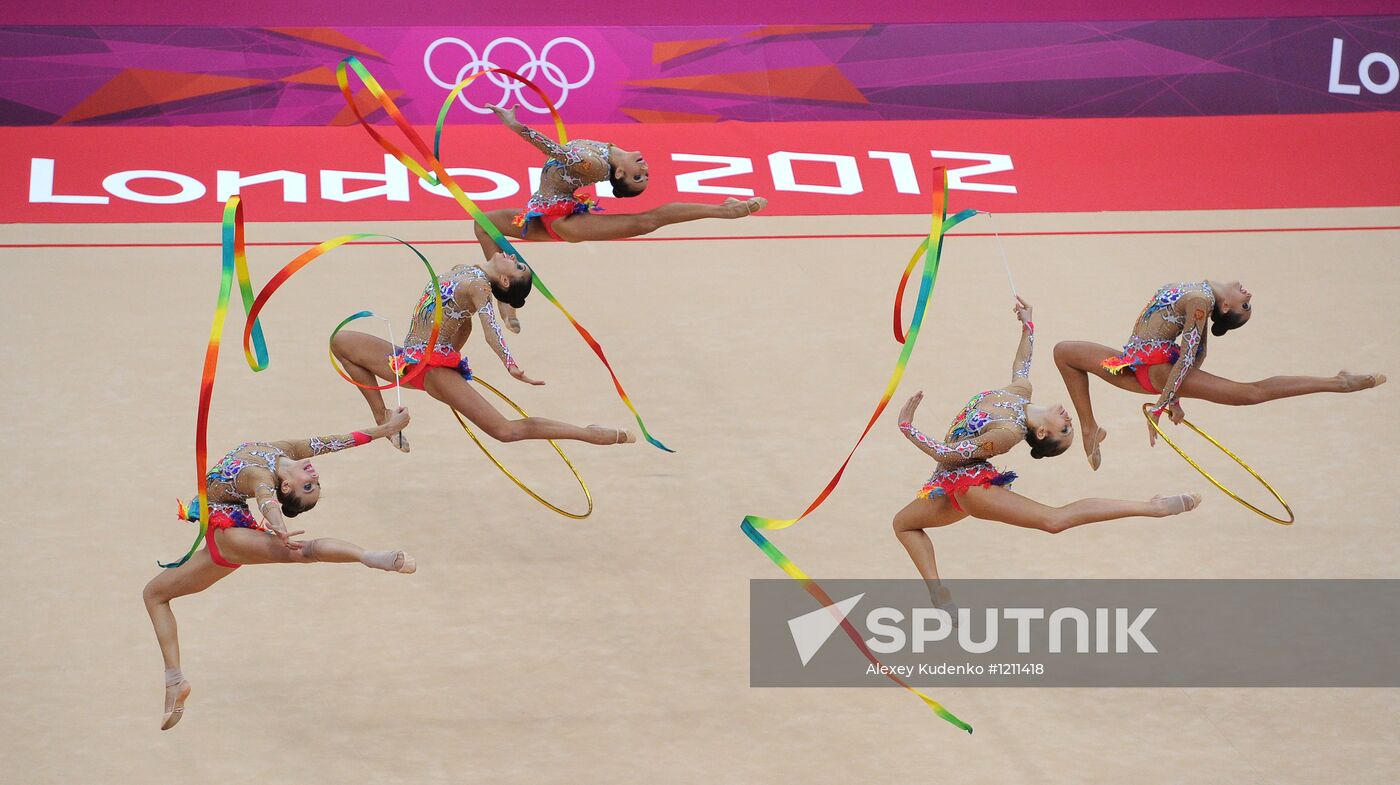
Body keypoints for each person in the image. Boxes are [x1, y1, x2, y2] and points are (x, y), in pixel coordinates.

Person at [891, 298, 1200, 606]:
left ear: (1041, 433)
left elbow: (946, 454)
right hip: (949, 487)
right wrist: (1028, 325)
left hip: (969, 486)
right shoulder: (1018, 393)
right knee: (903, 524)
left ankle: (1153, 508)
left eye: (1063, 430)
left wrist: (909, 428)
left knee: (1055, 520)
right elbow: (1021, 364)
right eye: (1069, 427)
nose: (1068, 419)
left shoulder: (1007, 433)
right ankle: (937, 592)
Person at [142, 408, 415, 730]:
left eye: (308, 486)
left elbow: (264, 498)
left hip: (230, 535)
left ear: (286, 488)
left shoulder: (263, 476)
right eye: (315, 483)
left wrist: (278, 525)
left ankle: (373, 557)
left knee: (303, 551)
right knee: (154, 594)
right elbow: (338, 441)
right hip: (224, 539)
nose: (314, 476)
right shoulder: (286, 451)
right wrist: (386, 428)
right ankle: (174, 681)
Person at [475, 103, 769, 331]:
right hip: (544, 213)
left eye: (638, 176)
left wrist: (516, 126)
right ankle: (506, 297)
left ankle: (728, 210)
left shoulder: (594, 164)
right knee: (483, 224)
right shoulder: (607, 150)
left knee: (645, 221)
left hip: (561, 219)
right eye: (644, 176)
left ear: (617, 174)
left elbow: (555, 150)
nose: (645, 168)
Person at [1053, 280, 1386, 469]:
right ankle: (1089, 428)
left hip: (1156, 369)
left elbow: (1188, 356)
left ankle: (1339, 382)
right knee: (1064, 352)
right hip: (1131, 363)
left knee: (1249, 393)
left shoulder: (1200, 300)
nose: (1248, 296)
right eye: (1248, 304)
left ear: (1225, 309)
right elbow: (1200, 351)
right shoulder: (1203, 294)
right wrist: (1174, 399)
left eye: (1245, 305)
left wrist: (1163, 402)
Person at [330, 250, 635, 453]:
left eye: (517, 266)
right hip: (405, 359)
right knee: (341, 342)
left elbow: (491, 330)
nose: (511, 255)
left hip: (432, 369)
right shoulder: (464, 270)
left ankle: (590, 433)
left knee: (505, 431)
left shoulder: (481, 288)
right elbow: (499, 298)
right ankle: (383, 419)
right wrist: (508, 307)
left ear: (503, 280)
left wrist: (510, 364)